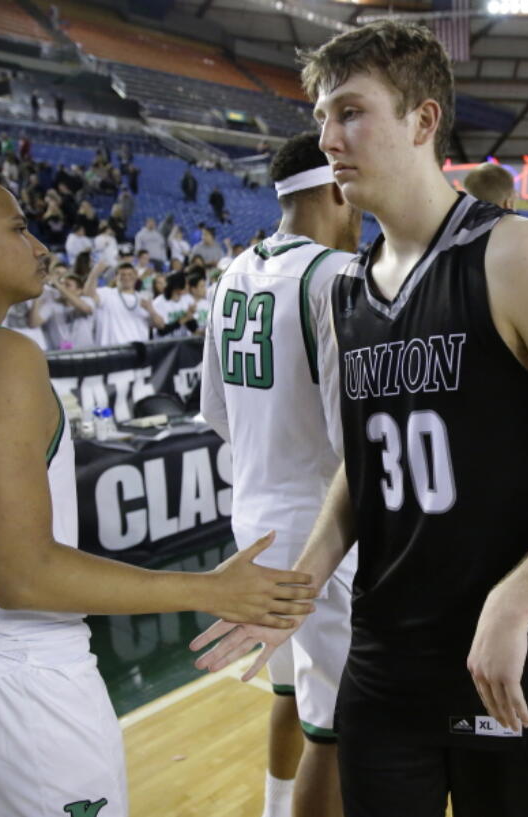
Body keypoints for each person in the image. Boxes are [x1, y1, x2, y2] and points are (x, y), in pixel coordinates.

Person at [192, 20, 528, 817]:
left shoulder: (517, 256)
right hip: (388, 657)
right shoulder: (345, 289)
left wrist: (516, 600)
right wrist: (303, 583)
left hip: (513, 654)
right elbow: (363, 459)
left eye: (350, 112)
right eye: (319, 118)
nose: (327, 138)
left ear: (422, 121)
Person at [0, 154, 317, 815]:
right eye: (16, 228)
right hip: (8, 680)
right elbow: (24, 576)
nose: (37, 246)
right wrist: (210, 586)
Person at [199, 132, 363, 817]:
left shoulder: (232, 271)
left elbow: (217, 413)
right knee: (335, 723)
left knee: (293, 693)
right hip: (320, 523)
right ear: (335, 189)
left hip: (254, 512)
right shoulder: (335, 276)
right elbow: (351, 437)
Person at [85, 260, 166, 345]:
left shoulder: (144, 299)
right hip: (111, 351)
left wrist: (151, 310)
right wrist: (94, 273)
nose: (126, 277)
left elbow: (161, 325)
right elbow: (88, 294)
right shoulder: (106, 293)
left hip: (136, 352)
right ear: (116, 277)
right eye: (122, 275)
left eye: (130, 274)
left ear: (135, 277)